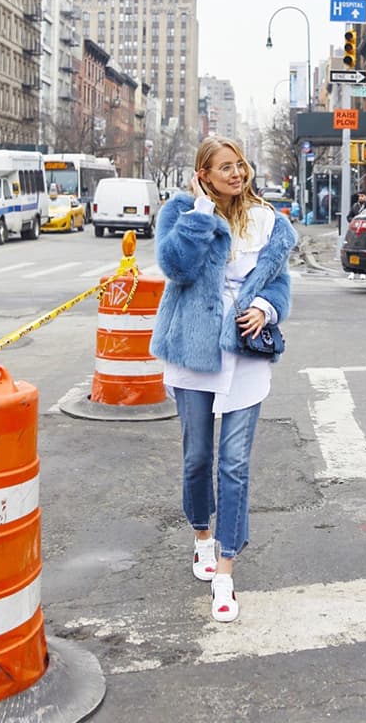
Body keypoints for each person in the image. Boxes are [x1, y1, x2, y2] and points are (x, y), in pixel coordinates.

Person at [151, 135, 296, 623]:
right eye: (225, 167)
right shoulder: (181, 213)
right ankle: (201, 537)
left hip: (245, 355)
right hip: (194, 351)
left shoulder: (267, 220)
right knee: (197, 459)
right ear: (204, 175)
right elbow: (176, 267)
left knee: (234, 465)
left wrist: (265, 307)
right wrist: (200, 216)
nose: (237, 173)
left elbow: (278, 279)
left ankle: (227, 572)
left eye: (240, 165)